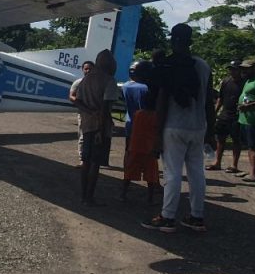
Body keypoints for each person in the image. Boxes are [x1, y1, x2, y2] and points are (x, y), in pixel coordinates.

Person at [141, 24, 212, 233]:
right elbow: (209, 101)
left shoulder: (168, 66)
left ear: (173, 40)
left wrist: (157, 134)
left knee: (172, 173)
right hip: (198, 127)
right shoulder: (203, 66)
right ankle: (197, 216)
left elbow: (162, 101)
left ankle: (167, 216)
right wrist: (211, 130)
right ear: (191, 41)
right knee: (196, 172)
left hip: (174, 126)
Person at [73, 50, 118, 206]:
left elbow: (77, 100)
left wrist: (89, 112)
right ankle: (89, 197)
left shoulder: (85, 80)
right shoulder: (109, 80)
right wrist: (101, 128)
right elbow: (105, 107)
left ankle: (82, 195)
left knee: (86, 161)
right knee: (95, 163)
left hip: (86, 125)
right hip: (100, 127)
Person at [120, 60, 160, 203]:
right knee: (151, 169)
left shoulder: (126, 86)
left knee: (130, 158)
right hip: (148, 140)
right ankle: (153, 192)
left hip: (132, 126)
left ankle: (124, 191)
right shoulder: (146, 89)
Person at [207, 61, 246, 172]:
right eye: (230, 69)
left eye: (234, 69)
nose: (232, 71)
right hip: (225, 114)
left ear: (239, 70)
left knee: (236, 140)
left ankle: (234, 165)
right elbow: (220, 98)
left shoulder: (244, 83)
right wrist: (214, 112)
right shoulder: (226, 81)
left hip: (237, 115)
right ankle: (217, 162)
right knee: (220, 139)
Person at [69, 60, 95, 167]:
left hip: (96, 114)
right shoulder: (78, 82)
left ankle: (92, 159)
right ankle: (82, 160)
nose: (88, 71)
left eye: (90, 69)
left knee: (95, 137)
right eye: (86, 69)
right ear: (82, 70)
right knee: (83, 137)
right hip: (83, 114)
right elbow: (71, 96)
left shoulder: (97, 84)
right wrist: (82, 105)